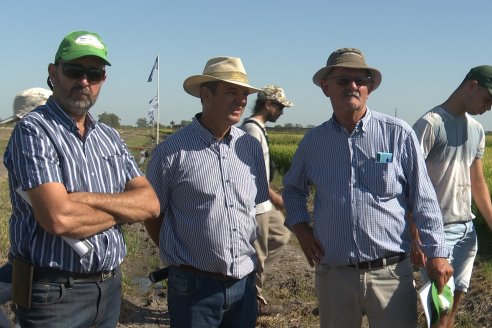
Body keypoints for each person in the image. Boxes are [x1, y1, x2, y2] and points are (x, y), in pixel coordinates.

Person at [282, 48, 454, 328]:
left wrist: (437, 253)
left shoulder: (397, 134)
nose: (352, 86)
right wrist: (301, 229)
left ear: (369, 88)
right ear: (326, 87)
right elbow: (292, 189)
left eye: (360, 80)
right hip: (335, 276)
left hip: (390, 275)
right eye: (342, 80)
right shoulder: (313, 143)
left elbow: (423, 198)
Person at [3, 30, 160, 327]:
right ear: (53, 72)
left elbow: (151, 204)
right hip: (55, 294)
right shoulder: (35, 131)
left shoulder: (109, 137)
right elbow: (59, 218)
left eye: (95, 73)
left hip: (110, 287)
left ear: (103, 80)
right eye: (74, 70)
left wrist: (83, 200)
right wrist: (124, 211)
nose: (84, 81)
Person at [145, 56, 269, 328]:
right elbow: (152, 215)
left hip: (243, 284)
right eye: (231, 92)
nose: (241, 100)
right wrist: (184, 257)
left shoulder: (249, 148)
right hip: (194, 287)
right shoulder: (172, 153)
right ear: (205, 94)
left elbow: (252, 209)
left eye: (244, 94)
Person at [413, 65, 492, 328]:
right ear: (472, 86)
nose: (488, 107)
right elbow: (409, 183)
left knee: (454, 307)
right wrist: (415, 235)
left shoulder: (477, 130)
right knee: (438, 312)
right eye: (487, 99)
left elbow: (478, 183)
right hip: (437, 233)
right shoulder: (430, 124)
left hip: (467, 231)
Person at [240, 85, 293, 315]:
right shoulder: (251, 130)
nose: (281, 112)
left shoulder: (259, 129)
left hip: (264, 202)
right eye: (280, 107)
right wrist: (276, 198)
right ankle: (252, 301)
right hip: (257, 204)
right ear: (268, 105)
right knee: (258, 252)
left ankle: (248, 285)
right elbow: (253, 173)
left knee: (282, 235)